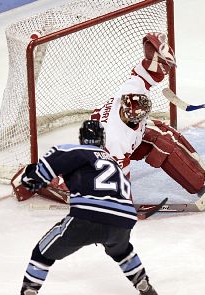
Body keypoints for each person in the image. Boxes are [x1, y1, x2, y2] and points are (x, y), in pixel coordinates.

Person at [19, 120, 158, 295]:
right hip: (123, 220)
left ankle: (29, 291)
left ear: (82, 138)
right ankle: (143, 284)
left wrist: (29, 178)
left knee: (42, 254)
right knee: (122, 251)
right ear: (102, 140)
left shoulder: (74, 150)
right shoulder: (113, 163)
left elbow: (42, 173)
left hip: (86, 217)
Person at [90, 32, 205, 203]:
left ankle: (202, 177)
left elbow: (141, 75)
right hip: (101, 157)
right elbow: (117, 173)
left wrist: (155, 56)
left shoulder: (130, 92)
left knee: (165, 132)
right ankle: (66, 181)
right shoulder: (117, 140)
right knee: (162, 143)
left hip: (105, 130)